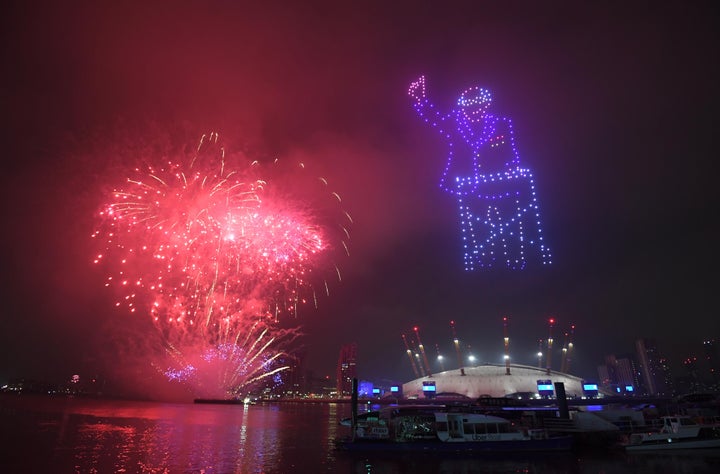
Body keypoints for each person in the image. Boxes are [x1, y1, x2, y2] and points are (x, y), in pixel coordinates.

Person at [408, 76, 551, 270]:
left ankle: (517, 260)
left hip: (500, 184)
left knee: (511, 221)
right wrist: (420, 101)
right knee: (479, 227)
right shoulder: (454, 123)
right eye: (469, 107)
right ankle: (483, 262)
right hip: (468, 187)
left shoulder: (502, 124)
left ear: (486, 105)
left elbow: (511, 151)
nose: (474, 110)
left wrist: (512, 168)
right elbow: (435, 119)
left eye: (478, 106)